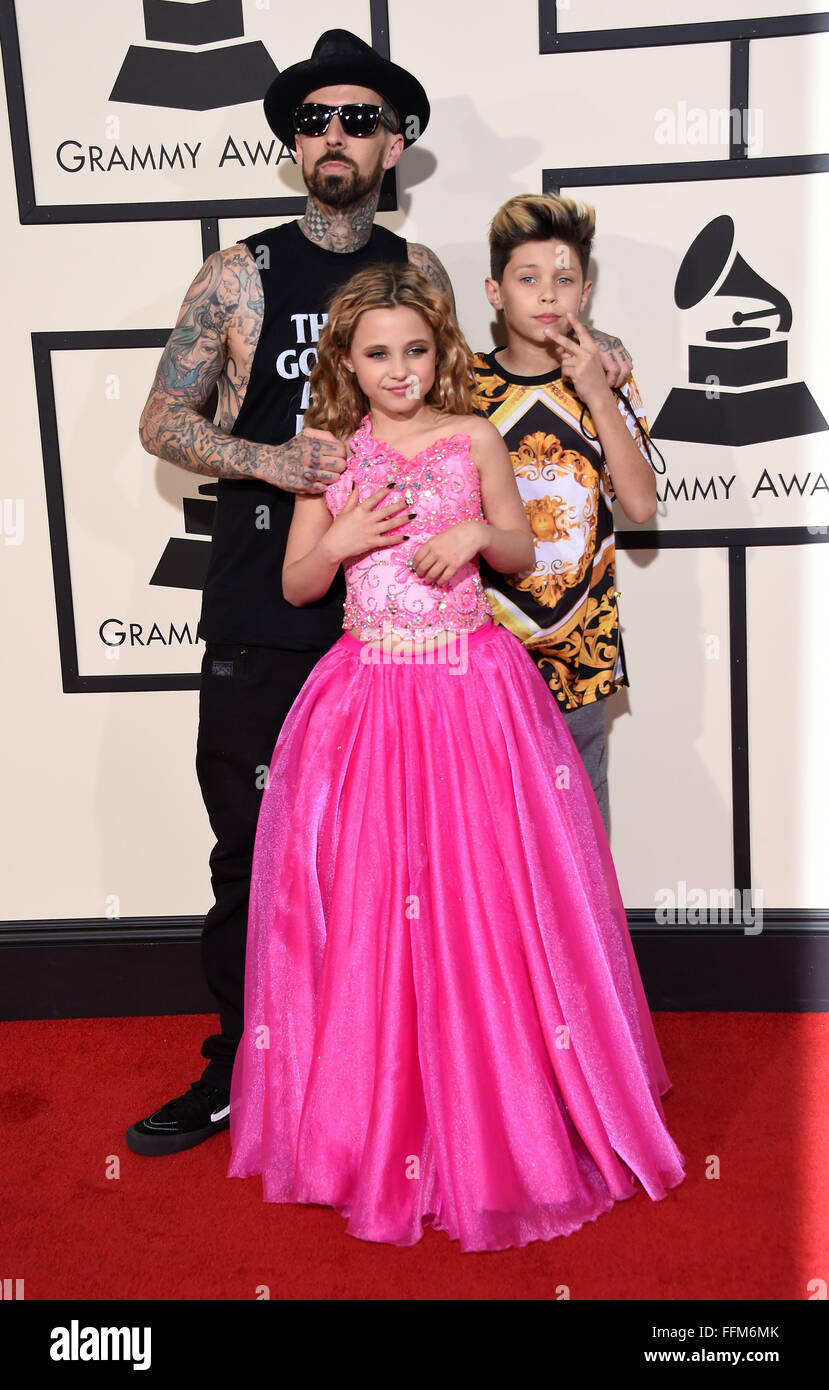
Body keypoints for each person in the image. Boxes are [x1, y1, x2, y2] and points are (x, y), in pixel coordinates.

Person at [128, 28, 635, 1157]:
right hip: (272, 609)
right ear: (291, 143)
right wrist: (276, 462)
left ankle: (415, 1085)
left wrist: (598, 368)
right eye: (315, 120)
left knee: (423, 873)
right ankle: (245, 1074)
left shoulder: (420, 277)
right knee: (258, 858)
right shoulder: (237, 275)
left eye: (360, 119)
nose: (336, 138)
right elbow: (160, 420)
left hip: (414, 634)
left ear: (393, 142)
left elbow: (470, 394)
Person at [227, 261, 684, 1252]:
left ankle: (505, 1108)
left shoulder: (472, 434)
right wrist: (342, 532)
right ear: (343, 360)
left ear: (441, 349)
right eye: (377, 353)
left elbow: (520, 551)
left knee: (487, 898)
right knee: (367, 902)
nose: (399, 370)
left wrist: (477, 527)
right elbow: (303, 584)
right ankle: (377, 1118)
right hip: (367, 706)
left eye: (417, 350)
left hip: (473, 696)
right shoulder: (326, 451)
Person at [473, 194, 658, 829]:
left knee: (579, 833)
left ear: (585, 289)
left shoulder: (608, 377)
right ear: (496, 292)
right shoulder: (462, 385)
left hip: (580, 650)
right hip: (483, 650)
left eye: (564, 279)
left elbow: (639, 503)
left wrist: (598, 396)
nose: (547, 295)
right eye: (527, 280)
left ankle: (586, 936)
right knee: (490, 833)